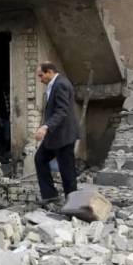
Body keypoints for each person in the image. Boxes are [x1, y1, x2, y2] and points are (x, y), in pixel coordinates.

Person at [34, 62, 79, 202]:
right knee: (40, 159)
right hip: (54, 136)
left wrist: (46, 126)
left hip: (63, 135)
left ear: (49, 72)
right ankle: (50, 195)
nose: (40, 79)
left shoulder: (61, 84)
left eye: (41, 75)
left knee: (67, 170)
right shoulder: (53, 85)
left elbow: (62, 111)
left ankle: (73, 202)